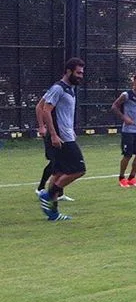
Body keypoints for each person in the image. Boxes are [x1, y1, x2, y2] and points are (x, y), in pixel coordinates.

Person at [38, 58, 87, 221]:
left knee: (58, 172)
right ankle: (48, 194)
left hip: (66, 135)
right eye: (78, 73)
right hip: (61, 137)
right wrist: (52, 134)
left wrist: (70, 130)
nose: (81, 76)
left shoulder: (70, 89)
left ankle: (53, 213)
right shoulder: (58, 88)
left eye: (82, 73)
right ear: (68, 71)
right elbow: (45, 109)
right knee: (79, 169)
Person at [112, 73, 136, 188]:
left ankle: (132, 177)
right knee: (127, 155)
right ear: (134, 83)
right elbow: (114, 106)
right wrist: (124, 118)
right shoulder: (126, 95)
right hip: (128, 131)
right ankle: (122, 178)